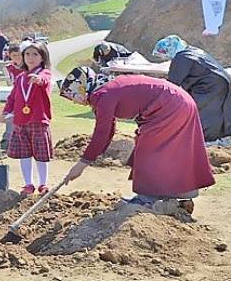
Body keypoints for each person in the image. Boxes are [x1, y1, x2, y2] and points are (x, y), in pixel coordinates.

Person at [60, 67, 215, 212]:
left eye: (73, 95)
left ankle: (147, 199)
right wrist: (90, 159)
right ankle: (174, 198)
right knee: (166, 151)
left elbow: (101, 132)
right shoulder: (105, 92)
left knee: (148, 150)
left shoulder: (102, 95)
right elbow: (108, 131)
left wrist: (82, 164)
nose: (74, 101)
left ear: (82, 87)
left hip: (170, 106)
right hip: (177, 102)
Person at [154, 35, 231, 144]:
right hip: (219, 81)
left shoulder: (182, 57)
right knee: (215, 111)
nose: (166, 58)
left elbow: (173, 84)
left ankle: (202, 139)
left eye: (164, 54)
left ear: (170, 49)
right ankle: (215, 137)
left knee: (198, 110)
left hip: (210, 85)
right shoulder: (190, 51)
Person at [0, 42, 53, 195]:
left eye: (35, 54)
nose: (31, 58)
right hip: (21, 121)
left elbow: (45, 80)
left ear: (42, 57)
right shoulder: (20, 77)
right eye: (27, 54)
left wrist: (39, 80)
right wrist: (6, 112)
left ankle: (43, 184)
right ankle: (28, 184)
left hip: (38, 120)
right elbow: (12, 98)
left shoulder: (44, 73)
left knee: (41, 154)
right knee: (25, 154)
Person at [0, 44, 25, 150]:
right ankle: (7, 141)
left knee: (13, 117)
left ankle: (9, 141)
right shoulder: (10, 67)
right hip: (16, 95)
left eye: (19, 55)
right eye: (14, 55)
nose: (17, 57)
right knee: (9, 116)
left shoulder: (27, 67)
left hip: (26, 96)